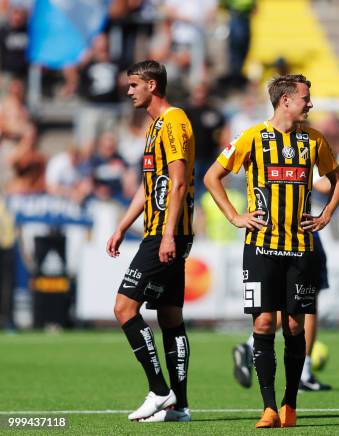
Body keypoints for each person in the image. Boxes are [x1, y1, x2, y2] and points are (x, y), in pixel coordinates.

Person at [204, 74, 339, 428]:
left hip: (301, 249)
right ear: (285, 101)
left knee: (295, 326)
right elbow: (212, 176)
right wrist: (235, 216)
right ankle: (268, 407)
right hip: (261, 248)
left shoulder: (314, 141)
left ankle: (290, 404)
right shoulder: (252, 137)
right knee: (265, 323)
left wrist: (326, 215)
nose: (310, 104)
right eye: (306, 98)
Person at [231, 148, 339, 392]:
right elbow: (323, 185)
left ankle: (252, 347)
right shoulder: (299, 146)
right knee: (305, 302)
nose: (308, 108)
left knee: (295, 305)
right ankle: (304, 370)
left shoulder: (293, 144)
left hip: (294, 230)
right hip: (303, 232)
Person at [106, 60, 195, 423]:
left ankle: (160, 391)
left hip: (165, 233)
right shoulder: (155, 126)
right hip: (163, 231)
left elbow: (177, 182)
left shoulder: (173, 121)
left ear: (152, 85)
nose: (129, 91)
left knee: (124, 309)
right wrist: (122, 226)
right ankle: (180, 407)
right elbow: (150, 186)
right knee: (171, 317)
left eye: (134, 85)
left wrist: (168, 233)